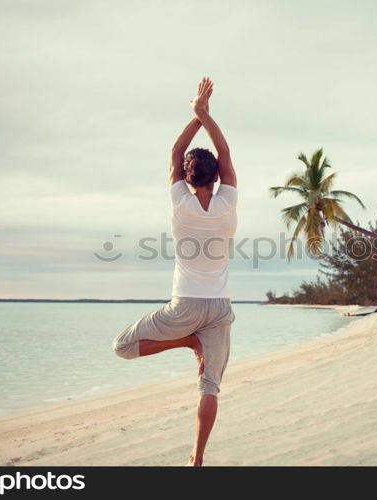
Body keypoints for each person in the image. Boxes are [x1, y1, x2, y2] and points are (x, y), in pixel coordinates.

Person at [112, 77, 237, 466]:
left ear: (186, 177)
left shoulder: (179, 202)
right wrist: (206, 115)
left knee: (122, 347)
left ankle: (185, 342)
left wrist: (195, 115)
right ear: (215, 178)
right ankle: (196, 459)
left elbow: (176, 151)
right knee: (210, 386)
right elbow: (225, 151)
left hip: (184, 307)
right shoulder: (228, 202)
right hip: (218, 309)